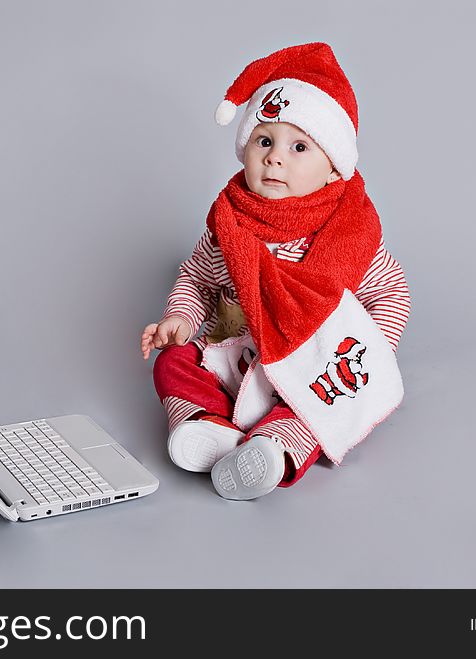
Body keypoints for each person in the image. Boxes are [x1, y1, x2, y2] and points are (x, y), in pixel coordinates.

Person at [140, 43, 411, 501]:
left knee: (314, 406)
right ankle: (203, 424)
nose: (275, 157)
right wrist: (181, 320)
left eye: (299, 146)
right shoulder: (229, 222)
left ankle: (275, 447)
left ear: (332, 170)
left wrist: (365, 349)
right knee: (174, 360)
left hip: (305, 366)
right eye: (264, 141)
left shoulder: (345, 235)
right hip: (235, 353)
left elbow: (391, 293)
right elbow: (197, 279)